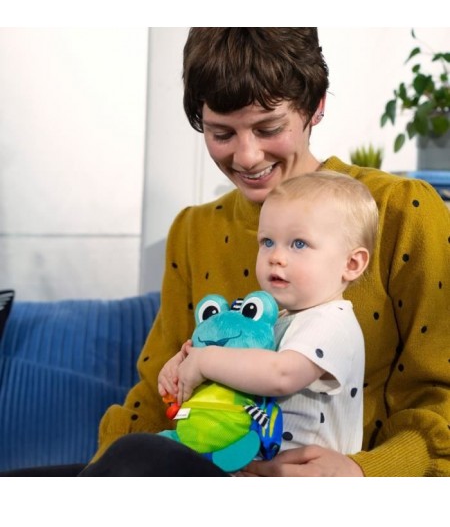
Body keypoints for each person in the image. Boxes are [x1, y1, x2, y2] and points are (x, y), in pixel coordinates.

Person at [82, 28, 449, 477]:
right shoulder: (193, 229)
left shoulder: (401, 212)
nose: (248, 156)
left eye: (268, 128)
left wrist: (361, 475)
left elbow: (440, 394)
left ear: (316, 107)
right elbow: (155, 398)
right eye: (221, 133)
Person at [158, 171, 378, 465]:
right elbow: (240, 370)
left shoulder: (332, 322)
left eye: (299, 243)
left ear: (351, 263)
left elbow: (280, 375)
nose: (276, 256)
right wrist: (185, 365)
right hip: (251, 463)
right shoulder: (275, 320)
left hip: (303, 479)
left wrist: (204, 361)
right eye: (267, 242)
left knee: (140, 457)